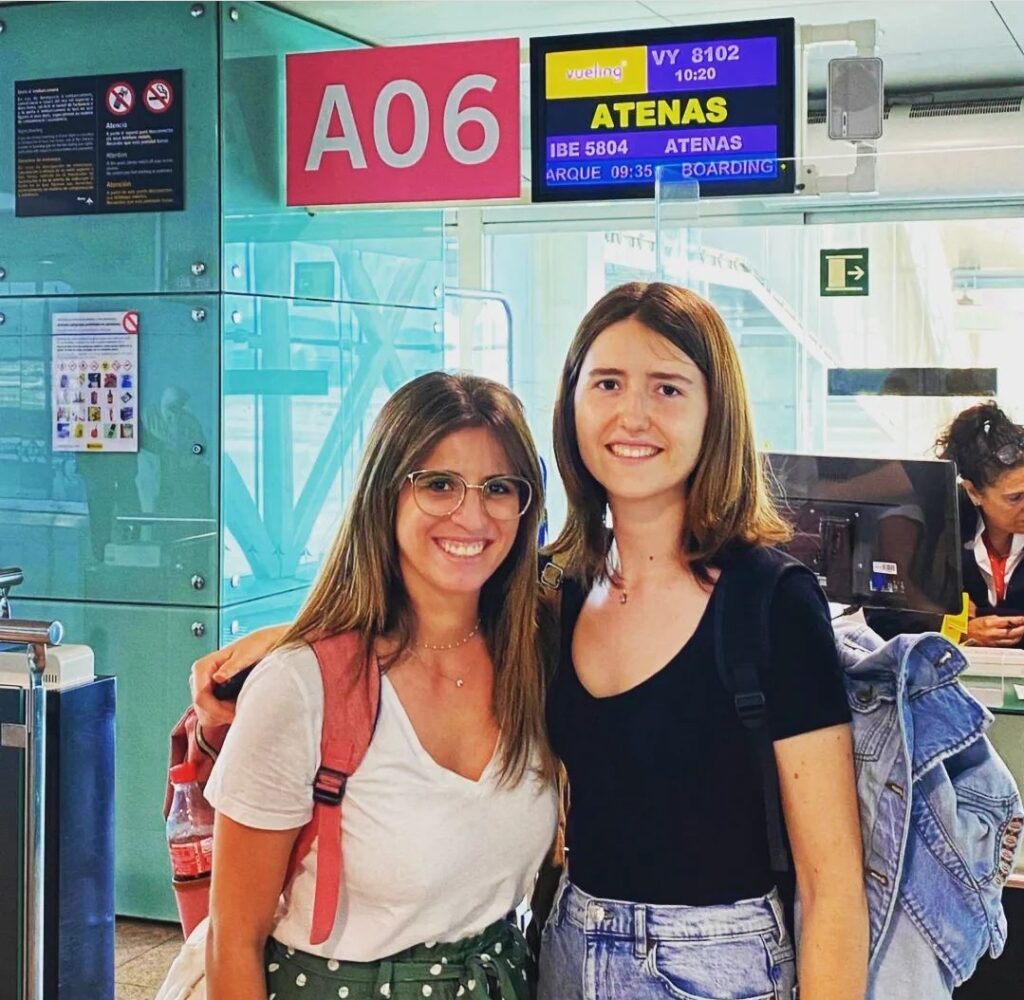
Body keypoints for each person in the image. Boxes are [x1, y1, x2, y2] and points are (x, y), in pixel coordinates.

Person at [193, 284, 869, 999]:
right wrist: (291, 648)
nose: (633, 415)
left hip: (719, 966)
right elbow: (428, 611)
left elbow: (831, 883)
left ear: (716, 412)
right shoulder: (556, 593)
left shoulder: (771, 602)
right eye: (607, 383)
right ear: (571, 404)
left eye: (668, 388)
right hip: (563, 951)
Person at [197, 372, 558, 1000]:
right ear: (384, 495)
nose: (472, 514)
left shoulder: (539, 660)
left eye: (499, 487)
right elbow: (233, 940)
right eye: (439, 484)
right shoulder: (300, 687)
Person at [866, 401, 1024, 647]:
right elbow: (882, 614)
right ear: (974, 492)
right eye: (1015, 498)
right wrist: (958, 630)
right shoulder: (939, 524)